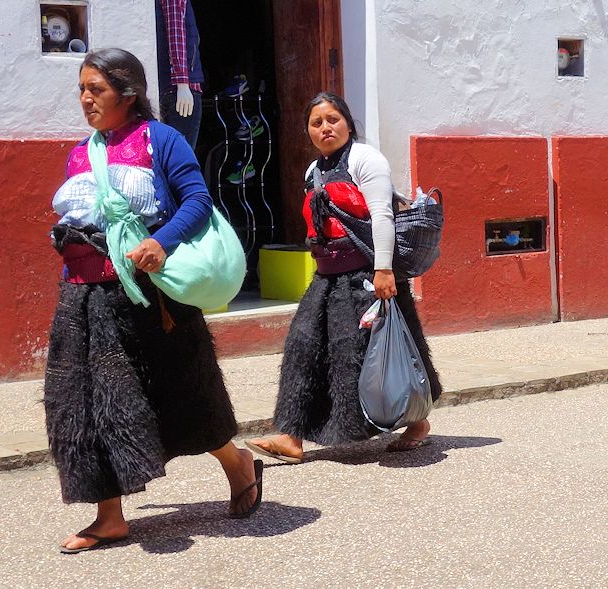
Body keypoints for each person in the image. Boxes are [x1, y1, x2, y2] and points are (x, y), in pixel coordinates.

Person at [44, 47, 263, 554]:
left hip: (149, 297)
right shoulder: (81, 153)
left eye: (96, 89)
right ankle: (109, 516)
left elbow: (197, 201)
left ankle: (238, 464)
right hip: (84, 298)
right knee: (88, 406)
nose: (85, 99)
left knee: (185, 395)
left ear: (128, 93)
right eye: (82, 90)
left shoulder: (161, 140)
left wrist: (160, 242)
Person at [246, 92, 442, 464]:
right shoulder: (313, 170)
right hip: (327, 279)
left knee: (380, 352)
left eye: (332, 119)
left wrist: (384, 270)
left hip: (367, 275)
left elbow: (382, 215)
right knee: (303, 348)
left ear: (348, 124)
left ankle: (416, 421)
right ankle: (291, 436)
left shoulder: (366, 160)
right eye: (316, 123)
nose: (325, 128)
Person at [155, 0, 204, 148]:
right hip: (179, 90)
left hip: (175, 88)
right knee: (182, 154)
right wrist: (182, 83)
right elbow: (175, 34)